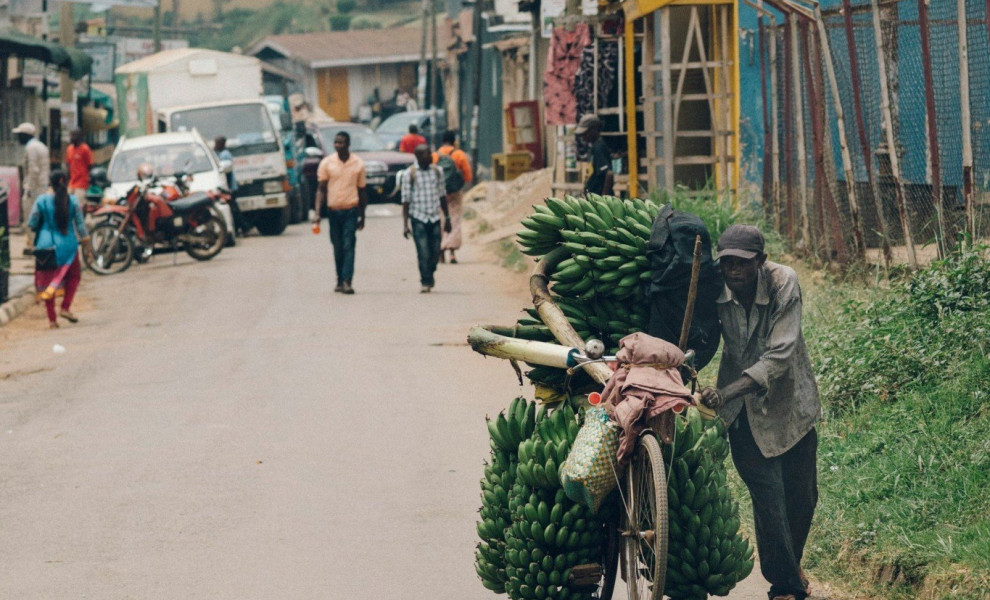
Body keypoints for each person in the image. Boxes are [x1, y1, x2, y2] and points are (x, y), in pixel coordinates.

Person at [699, 225, 820, 600]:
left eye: (743, 264)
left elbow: (781, 354)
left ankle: (789, 563)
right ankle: (785, 585)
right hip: (741, 414)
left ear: (761, 262)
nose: (734, 271)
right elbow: (699, 336)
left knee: (803, 496)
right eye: (728, 263)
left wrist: (726, 391)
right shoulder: (714, 289)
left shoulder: (784, 283)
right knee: (768, 496)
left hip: (790, 402)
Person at [26, 170, 94, 329]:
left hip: (45, 246)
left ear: (50, 182)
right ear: (66, 181)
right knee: (74, 276)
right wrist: (88, 247)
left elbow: (32, 223)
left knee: (47, 281)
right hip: (68, 246)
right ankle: (65, 307)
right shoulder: (73, 201)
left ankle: (52, 320)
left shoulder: (41, 201)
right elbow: (81, 227)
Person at [313, 131, 367, 295]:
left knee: (348, 245)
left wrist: (362, 215)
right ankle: (339, 278)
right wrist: (317, 213)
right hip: (333, 211)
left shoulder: (358, 164)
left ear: (348, 144)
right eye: (336, 142)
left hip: (351, 210)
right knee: (337, 246)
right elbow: (321, 190)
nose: (338, 145)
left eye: (341, 142)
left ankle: (347, 281)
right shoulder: (327, 163)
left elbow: (362, 191)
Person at [401, 144, 451, 293]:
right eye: (426, 154)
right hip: (418, 217)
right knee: (423, 250)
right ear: (418, 156)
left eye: (430, 153)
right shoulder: (409, 174)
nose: (430, 156)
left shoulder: (437, 171)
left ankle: (431, 271)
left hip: (434, 217)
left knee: (435, 250)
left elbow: (442, 195)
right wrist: (405, 224)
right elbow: (405, 200)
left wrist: (447, 217)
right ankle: (426, 280)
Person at [433, 130, 472, 264]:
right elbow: (468, 176)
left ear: (442, 140)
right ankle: (452, 253)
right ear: (454, 141)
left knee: (441, 218)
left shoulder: (435, 156)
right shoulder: (459, 154)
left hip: (439, 193)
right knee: (454, 219)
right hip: (455, 192)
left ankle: (441, 251)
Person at [13, 122, 50, 226]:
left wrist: (30, 189)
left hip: (35, 189)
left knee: (32, 219)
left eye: (20, 135)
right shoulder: (40, 145)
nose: (18, 138)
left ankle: (34, 240)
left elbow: (34, 170)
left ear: (25, 135)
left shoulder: (32, 148)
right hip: (41, 187)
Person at [214, 136, 251, 235]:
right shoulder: (222, 154)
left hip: (230, 188)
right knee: (234, 210)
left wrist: (228, 189)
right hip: (230, 187)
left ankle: (245, 227)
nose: (215, 145)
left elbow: (228, 173)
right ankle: (242, 228)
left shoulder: (225, 155)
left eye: (217, 143)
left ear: (221, 144)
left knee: (234, 210)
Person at [575, 114, 613, 196]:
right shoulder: (594, 146)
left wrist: (604, 197)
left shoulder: (598, 147)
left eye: (585, 133)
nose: (583, 137)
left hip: (599, 198)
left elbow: (609, 173)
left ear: (594, 129)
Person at [65, 128, 93, 203]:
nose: (71, 137)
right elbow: (68, 165)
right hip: (71, 182)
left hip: (81, 183)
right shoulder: (69, 149)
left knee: (78, 204)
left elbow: (90, 165)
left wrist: (87, 178)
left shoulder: (85, 149)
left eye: (73, 135)